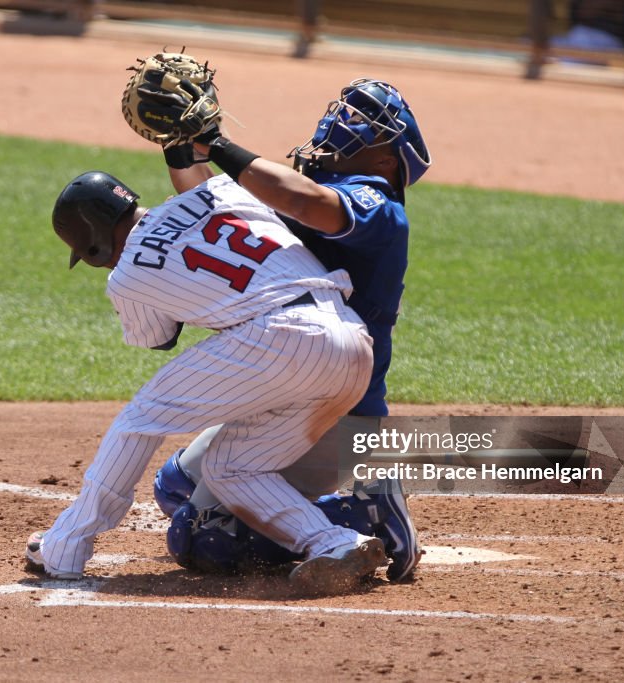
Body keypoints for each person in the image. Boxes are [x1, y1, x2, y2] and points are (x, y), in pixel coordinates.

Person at [25, 169, 390, 595]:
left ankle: (66, 547)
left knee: (139, 420)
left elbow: (156, 338)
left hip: (282, 337)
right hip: (351, 342)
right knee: (231, 467)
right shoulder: (217, 190)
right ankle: (336, 543)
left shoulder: (125, 274)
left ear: (92, 242)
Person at [150, 78, 431, 581]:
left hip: (336, 422)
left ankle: (368, 511)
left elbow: (303, 201)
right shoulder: (306, 199)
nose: (341, 124)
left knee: (206, 536)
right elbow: (212, 211)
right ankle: (322, 504)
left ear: (388, 162)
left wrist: (215, 144)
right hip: (283, 395)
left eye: (364, 126)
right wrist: (181, 148)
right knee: (174, 488)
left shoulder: (378, 210)